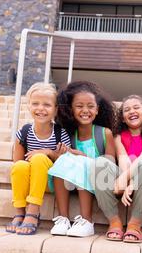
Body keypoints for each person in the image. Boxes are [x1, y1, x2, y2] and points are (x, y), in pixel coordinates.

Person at [48, 80, 115, 237]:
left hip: (100, 180)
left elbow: (109, 164)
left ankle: (86, 221)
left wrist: (84, 158)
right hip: (72, 183)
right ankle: (63, 218)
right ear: (71, 109)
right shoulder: (68, 135)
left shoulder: (105, 133)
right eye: (79, 106)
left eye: (90, 106)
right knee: (63, 161)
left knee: (81, 162)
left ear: (97, 110)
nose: (85, 110)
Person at [94, 94, 142, 243]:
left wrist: (129, 183)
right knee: (100, 163)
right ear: (123, 118)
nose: (132, 111)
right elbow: (123, 160)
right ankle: (114, 221)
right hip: (124, 176)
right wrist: (124, 179)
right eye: (127, 110)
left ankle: (134, 224)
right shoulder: (118, 136)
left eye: (136, 107)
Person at [6, 82, 71, 235]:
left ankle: (33, 211)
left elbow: (65, 163)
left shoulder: (60, 134)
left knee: (39, 158)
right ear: (29, 106)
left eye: (47, 105)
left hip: (50, 182)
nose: (40, 108)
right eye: (35, 103)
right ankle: (20, 212)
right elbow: (18, 163)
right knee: (20, 166)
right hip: (30, 180)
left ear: (55, 109)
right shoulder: (24, 132)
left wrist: (48, 152)